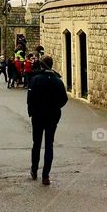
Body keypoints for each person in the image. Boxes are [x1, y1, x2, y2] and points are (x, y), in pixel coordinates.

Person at [26, 56, 68, 185]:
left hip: (38, 115)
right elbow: (64, 99)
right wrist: (56, 108)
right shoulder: (58, 81)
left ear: (42, 66)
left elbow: (30, 98)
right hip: (52, 115)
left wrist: (32, 112)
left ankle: (34, 170)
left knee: (36, 143)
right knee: (49, 144)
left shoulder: (36, 80)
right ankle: (46, 175)